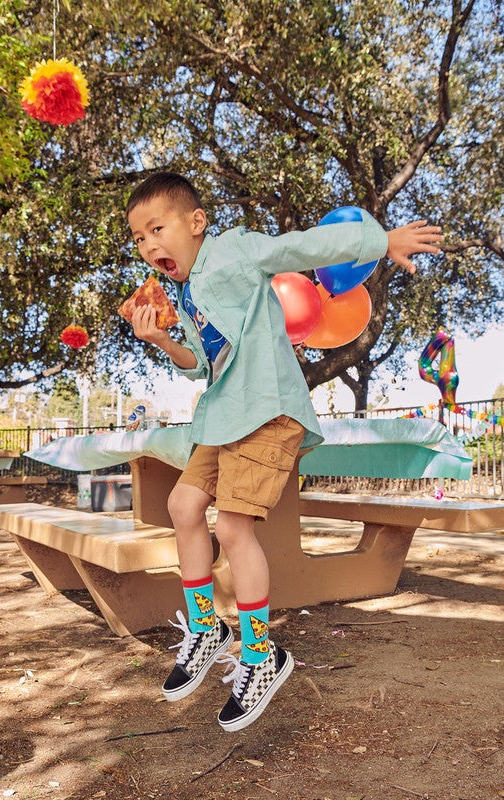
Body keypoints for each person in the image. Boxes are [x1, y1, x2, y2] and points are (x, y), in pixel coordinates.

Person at [126, 172, 442, 731]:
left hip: (268, 409)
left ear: (195, 223)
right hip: (223, 415)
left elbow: (302, 247)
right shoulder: (186, 293)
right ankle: (206, 628)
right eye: (139, 239)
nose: (150, 246)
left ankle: (260, 654)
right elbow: (198, 363)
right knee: (181, 508)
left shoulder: (234, 250)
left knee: (235, 529)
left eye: (157, 229)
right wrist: (161, 340)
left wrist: (380, 242)